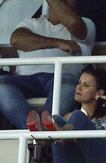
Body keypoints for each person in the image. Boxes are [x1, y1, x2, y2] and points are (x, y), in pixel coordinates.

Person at [0, 0, 95, 130]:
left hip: (63, 78)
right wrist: (58, 43)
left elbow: (73, 24)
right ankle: (35, 128)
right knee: (1, 84)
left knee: (68, 84)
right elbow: (17, 39)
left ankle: (47, 124)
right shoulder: (30, 22)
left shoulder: (86, 24)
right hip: (26, 80)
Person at [52, 66, 106, 163]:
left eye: (86, 85)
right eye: (79, 83)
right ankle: (60, 136)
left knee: (76, 116)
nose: (78, 88)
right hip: (80, 162)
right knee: (56, 119)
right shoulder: (68, 117)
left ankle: (63, 134)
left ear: (98, 93)